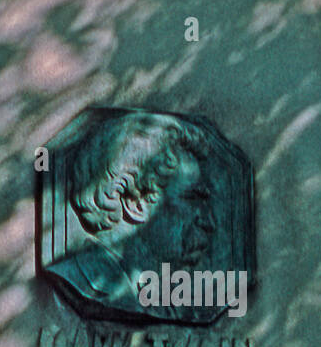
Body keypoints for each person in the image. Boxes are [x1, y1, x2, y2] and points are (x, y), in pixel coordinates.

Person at [45, 110, 221, 320]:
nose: (208, 222)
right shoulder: (79, 281)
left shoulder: (162, 297)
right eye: (193, 200)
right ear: (136, 202)